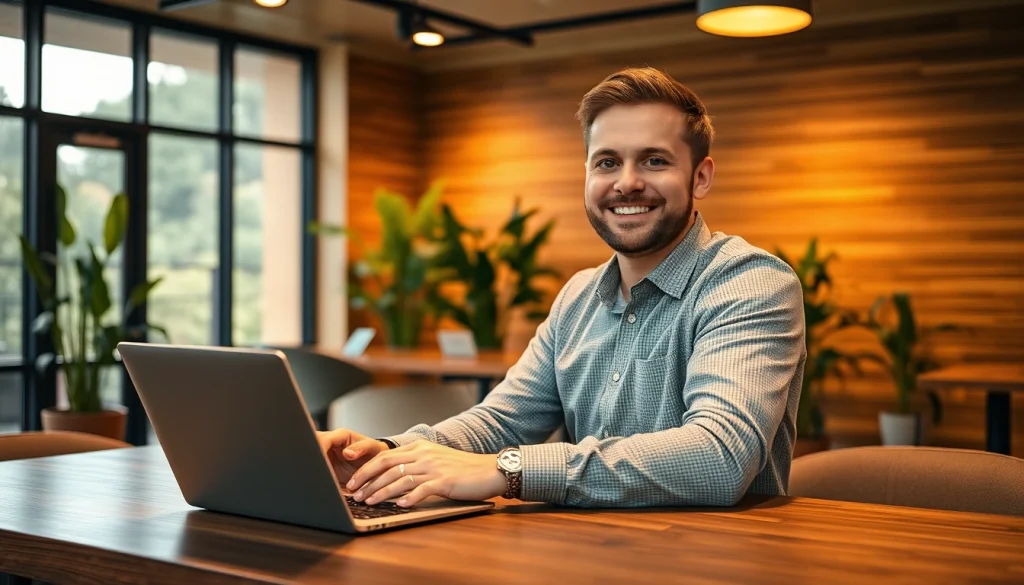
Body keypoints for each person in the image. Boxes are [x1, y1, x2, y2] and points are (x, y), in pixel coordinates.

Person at [318, 67, 806, 509]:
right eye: (607, 162)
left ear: (701, 177)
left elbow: (719, 456)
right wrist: (382, 455)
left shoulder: (749, 282)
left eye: (654, 161)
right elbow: (502, 423)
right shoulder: (578, 296)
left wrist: (509, 471)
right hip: (587, 555)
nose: (627, 183)